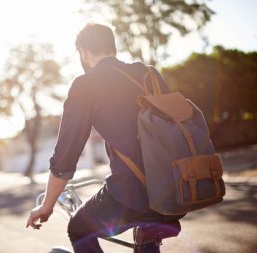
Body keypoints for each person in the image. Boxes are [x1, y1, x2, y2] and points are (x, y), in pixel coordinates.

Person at [26, 23, 182, 253]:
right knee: (147, 234)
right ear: (113, 47)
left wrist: (47, 206)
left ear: (83, 52)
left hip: (134, 195)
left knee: (78, 228)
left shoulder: (85, 85)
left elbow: (65, 158)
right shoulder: (148, 73)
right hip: (176, 189)